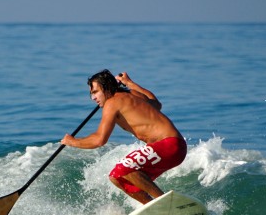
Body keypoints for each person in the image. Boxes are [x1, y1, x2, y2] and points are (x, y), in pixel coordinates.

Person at [61, 69, 187, 204]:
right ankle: (153, 206)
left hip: (168, 144)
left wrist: (72, 142)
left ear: (106, 88)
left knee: (123, 169)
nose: (93, 98)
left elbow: (99, 140)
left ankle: (166, 203)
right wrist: (130, 83)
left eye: (95, 92)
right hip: (176, 149)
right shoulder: (131, 94)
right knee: (117, 177)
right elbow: (155, 103)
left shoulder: (112, 103)